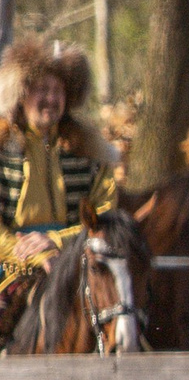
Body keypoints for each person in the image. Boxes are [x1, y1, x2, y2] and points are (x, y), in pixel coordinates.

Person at [0, 41, 119, 332]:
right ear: (22, 92)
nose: (51, 99)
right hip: (8, 263)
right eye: (42, 89)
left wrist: (57, 241)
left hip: (74, 258)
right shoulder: (2, 148)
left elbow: (104, 211)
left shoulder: (88, 149)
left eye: (58, 90)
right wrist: (29, 252)